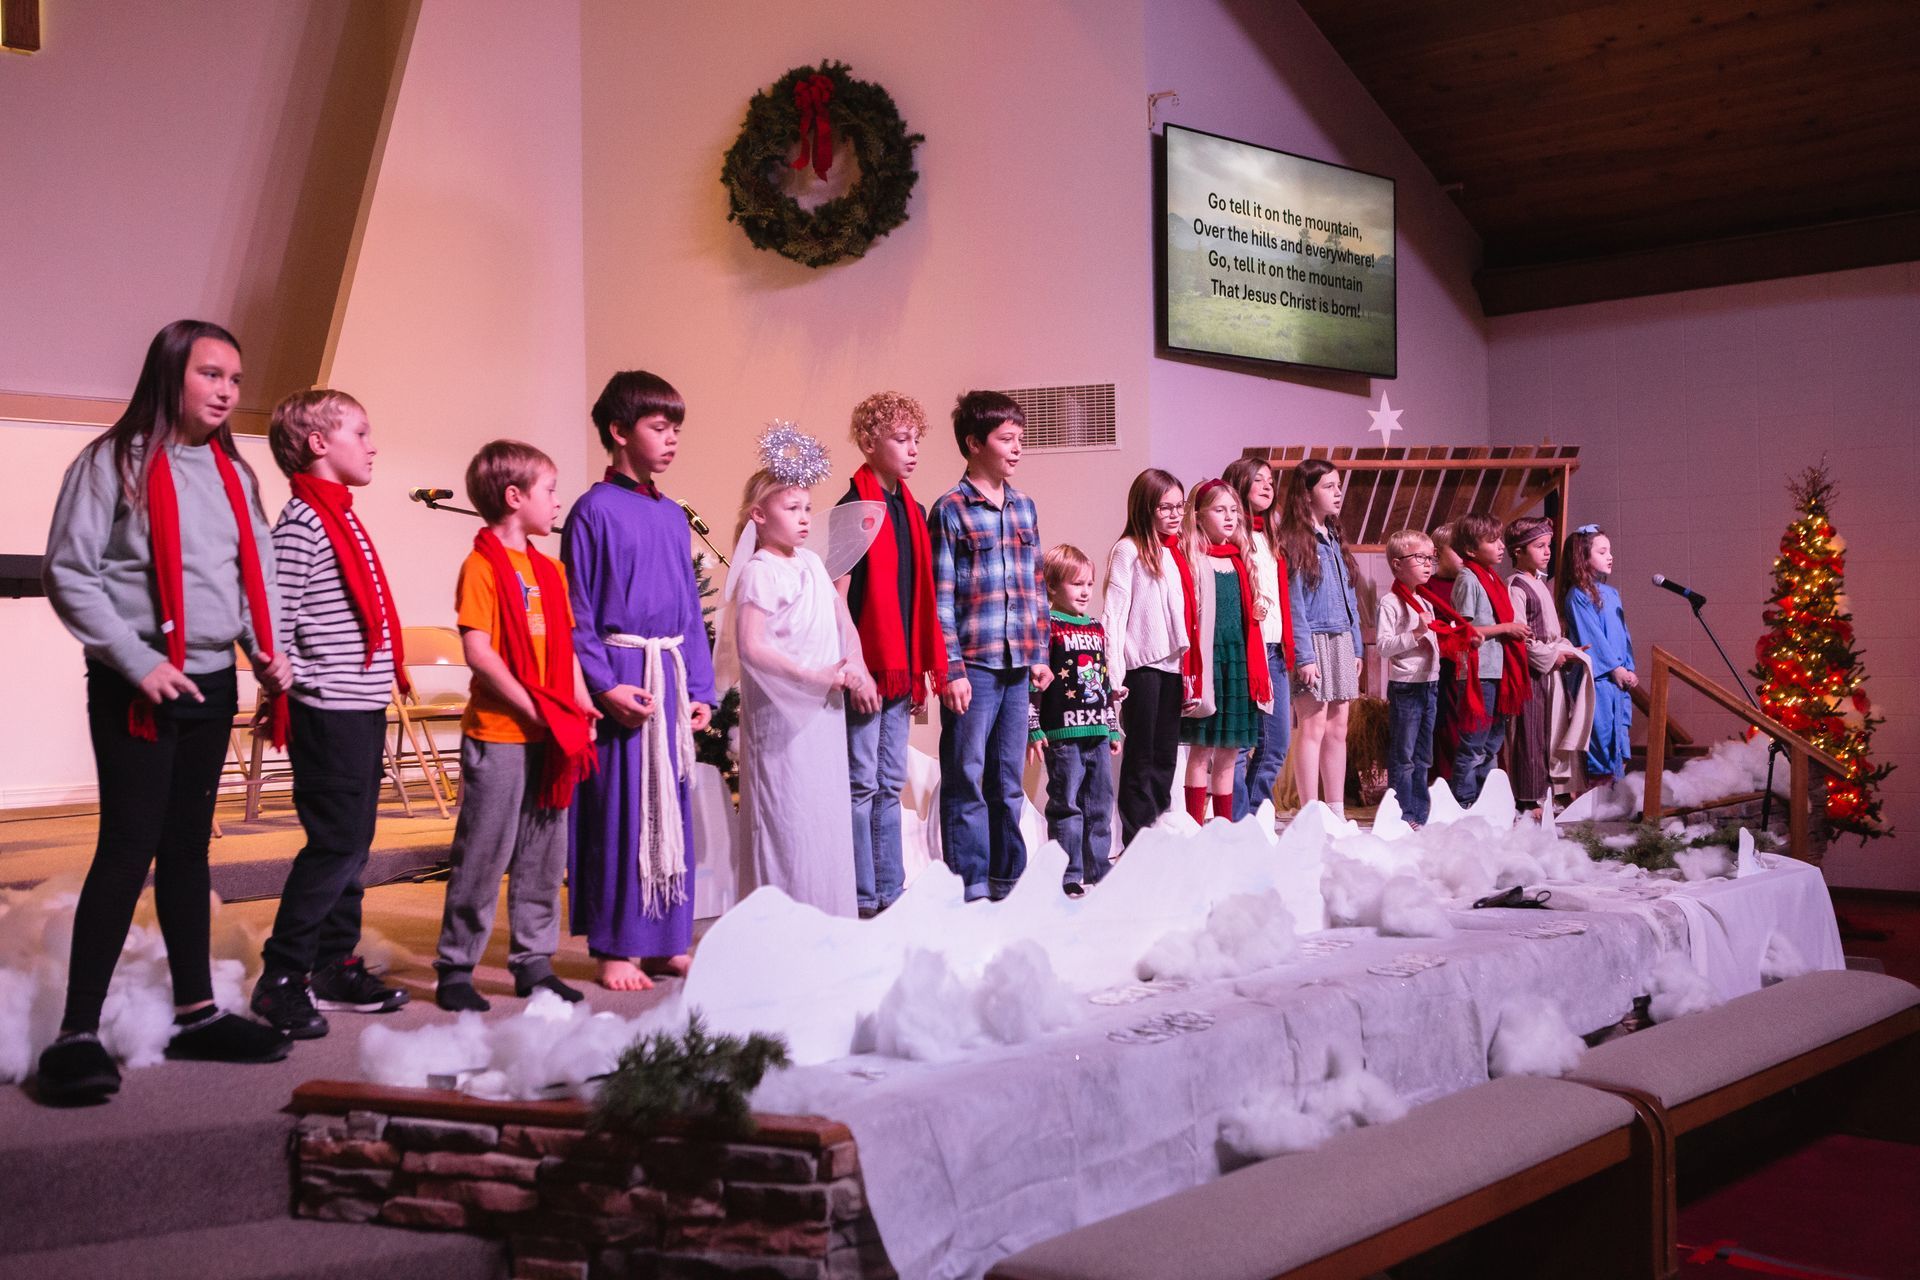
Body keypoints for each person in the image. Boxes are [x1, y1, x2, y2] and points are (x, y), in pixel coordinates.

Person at [37, 319, 293, 1104]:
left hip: (211, 682)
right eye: (211, 375)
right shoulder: (111, 464)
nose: (226, 391)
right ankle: (76, 1033)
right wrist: (139, 663)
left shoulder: (232, 474)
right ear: (170, 377)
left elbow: (252, 570)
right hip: (138, 685)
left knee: (187, 850)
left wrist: (265, 646)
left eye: (235, 380)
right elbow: (69, 574)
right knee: (128, 848)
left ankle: (196, 1013)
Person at [251, 389, 410, 1039]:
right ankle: (282, 976)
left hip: (360, 702)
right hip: (328, 707)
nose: (373, 445)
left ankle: (332, 963)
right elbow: (273, 614)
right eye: (361, 432)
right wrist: (277, 676)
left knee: (354, 845)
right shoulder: (303, 524)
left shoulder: (342, 517)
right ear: (319, 444)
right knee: (336, 844)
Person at [563, 372, 717, 991]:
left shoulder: (673, 515)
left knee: (669, 808)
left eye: (676, 427)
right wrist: (603, 686)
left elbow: (687, 609)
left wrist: (700, 690)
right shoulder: (592, 510)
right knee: (620, 811)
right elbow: (577, 610)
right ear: (619, 431)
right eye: (659, 427)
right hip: (624, 674)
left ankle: (663, 941)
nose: (672, 439)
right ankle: (614, 945)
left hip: (670, 673)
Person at [434, 441, 600, 1013]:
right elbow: (479, 652)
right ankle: (456, 965)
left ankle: (533, 961)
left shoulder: (550, 569)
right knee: (484, 850)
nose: (558, 503)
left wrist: (578, 704)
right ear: (514, 497)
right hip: (501, 734)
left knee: (544, 852)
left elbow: (566, 650)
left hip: (550, 734)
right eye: (549, 491)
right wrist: (534, 708)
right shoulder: (481, 566)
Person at [728, 430, 874, 916]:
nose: (805, 518)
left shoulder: (812, 563)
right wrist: (815, 674)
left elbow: (842, 620)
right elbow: (752, 647)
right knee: (786, 816)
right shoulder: (759, 570)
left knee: (821, 814)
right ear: (759, 515)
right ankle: (784, 921)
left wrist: (856, 665)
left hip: (823, 711)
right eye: (792, 508)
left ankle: (826, 916)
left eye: (808, 508)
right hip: (782, 718)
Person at [930, 392, 1051, 902]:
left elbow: (1036, 586)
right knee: (967, 775)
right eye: (1006, 439)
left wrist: (1040, 652)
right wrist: (950, 669)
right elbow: (941, 598)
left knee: (1008, 778)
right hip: (974, 664)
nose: (1017, 448)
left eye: (1020, 439)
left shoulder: (1025, 507)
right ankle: (972, 885)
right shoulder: (951, 510)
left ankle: (1010, 882)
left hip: (1019, 662)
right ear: (974, 443)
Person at [836, 392, 943, 918]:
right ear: (869, 442)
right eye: (901, 440)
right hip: (867, 668)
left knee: (886, 783)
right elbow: (838, 594)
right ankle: (862, 892)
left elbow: (915, 594)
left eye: (916, 439)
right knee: (860, 783)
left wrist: (919, 666)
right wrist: (851, 665)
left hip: (900, 671)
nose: (913, 449)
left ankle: (889, 889)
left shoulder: (913, 511)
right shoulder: (852, 507)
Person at [1103, 469, 1192, 848]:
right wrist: (1115, 676)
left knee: (1164, 758)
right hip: (1140, 670)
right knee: (1140, 760)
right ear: (1146, 508)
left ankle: (1159, 836)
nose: (1175, 514)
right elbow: (1114, 615)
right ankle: (1136, 843)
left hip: (1170, 667)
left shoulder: (1171, 551)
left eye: (1180, 506)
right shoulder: (1128, 550)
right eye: (1165, 507)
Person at [1028, 545, 1123, 895]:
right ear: (1052, 586)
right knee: (1067, 804)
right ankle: (1068, 874)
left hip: (1096, 730)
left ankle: (1099, 868)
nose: (1085, 592)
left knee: (1098, 803)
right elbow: (1034, 685)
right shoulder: (1047, 627)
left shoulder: (1096, 628)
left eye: (1088, 584)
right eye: (1075, 584)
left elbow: (1103, 682)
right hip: (1063, 733)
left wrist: (1112, 725)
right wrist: (1033, 727)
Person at [1178, 481, 1273, 822]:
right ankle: (1193, 823)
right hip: (1209, 661)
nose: (1230, 517)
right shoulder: (1193, 557)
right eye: (1220, 510)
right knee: (1201, 751)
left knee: (1230, 754)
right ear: (1199, 516)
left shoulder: (1238, 558)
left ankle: (1224, 826)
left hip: (1239, 661)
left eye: (1233, 510)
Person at [1279, 459, 1364, 813]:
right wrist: (1304, 655)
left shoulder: (1333, 538)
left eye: (1338, 485)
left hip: (1341, 639)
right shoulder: (1296, 540)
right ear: (1307, 493)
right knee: (1312, 727)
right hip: (1312, 641)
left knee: (1338, 728)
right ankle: (1311, 810)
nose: (1337, 492)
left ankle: (1335, 809)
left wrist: (1357, 644)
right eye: (1328, 486)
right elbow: (1294, 603)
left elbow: (1349, 597)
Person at [1221, 457, 1294, 822]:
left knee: (1277, 743)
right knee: (1240, 743)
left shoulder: (1271, 537)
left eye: (1270, 480)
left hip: (1274, 650)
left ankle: (1252, 815)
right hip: (1244, 650)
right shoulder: (1231, 536)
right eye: (1258, 480)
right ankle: (1235, 823)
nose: (1268, 486)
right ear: (1239, 484)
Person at [1505, 517, 1594, 812]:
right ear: (1518, 550)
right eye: (1539, 546)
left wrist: (1567, 649)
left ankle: (1548, 791)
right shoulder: (1517, 586)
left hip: (1550, 672)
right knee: (1531, 733)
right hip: (1532, 674)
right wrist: (1550, 656)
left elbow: (1550, 632)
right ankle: (1529, 798)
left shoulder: (1539, 583)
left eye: (1548, 546)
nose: (1546, 552)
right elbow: (1521, 636)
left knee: (1551, 731)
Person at [1448, 512, 1533, 807]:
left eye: (1500, 539)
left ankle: (1487, 803)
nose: (1500, 546)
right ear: (1471, 550)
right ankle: (1464, 803)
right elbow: (1462, 630)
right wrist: (1506, 628)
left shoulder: (1491, 578)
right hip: (1479, 672)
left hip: (1499, 670)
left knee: (1492, 745)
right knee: (1473, 744)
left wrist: (1516, 633)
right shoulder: (1468, 578)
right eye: (1491, 540)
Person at [1376, 529, 1443, 828]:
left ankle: (1420, 813)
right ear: (1396, 564)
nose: (1428, 564)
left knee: (1424, 755)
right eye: (1420, 558)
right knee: (1404, 756)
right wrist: (1416, 633)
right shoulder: (1390, 603)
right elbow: (1383, 646)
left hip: (1430, 683)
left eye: (1431, 558)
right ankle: (1403, 814)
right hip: (1406, 686)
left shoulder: (1426, 601)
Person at [1562, 523, 1635, 784]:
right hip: (1600, 679)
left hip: (1619, 679)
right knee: (1601, 738)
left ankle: (1617, 795)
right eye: (1602, 552)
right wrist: (1614, 668)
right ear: (1584, 557)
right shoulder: (1578, 595)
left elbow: (1622, 636)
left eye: (1610, 551)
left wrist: (1629, 667)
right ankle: (1598, 802)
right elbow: (1592, 636)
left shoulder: (1611, 594)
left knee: (1620, 738)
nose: (1610, 556)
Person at [1422, 522, 1469, 786]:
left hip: (1469, 668)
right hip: (1443, 668)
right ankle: (1444, 783)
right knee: (1445, 725)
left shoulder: (1471, 583)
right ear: (1438, 553)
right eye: (1458, 549)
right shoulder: (1430, 587)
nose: (1465, 555)